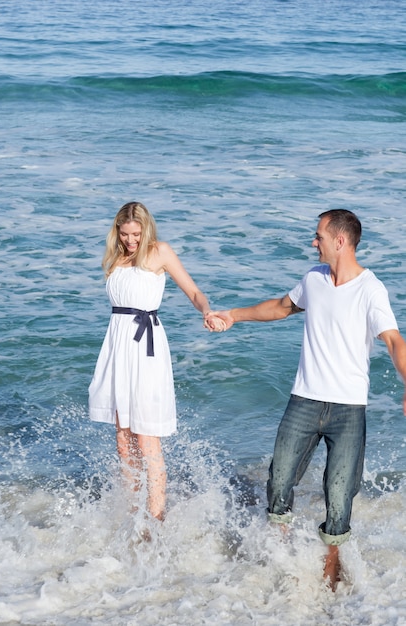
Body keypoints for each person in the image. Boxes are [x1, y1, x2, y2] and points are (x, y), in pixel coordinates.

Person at [208, 209, 406, 589]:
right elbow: (282, 307)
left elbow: (394, 340)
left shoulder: (371, 289)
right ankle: (278, 556)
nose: (313, 242)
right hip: (304, 400)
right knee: (278, 480)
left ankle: (331, 569)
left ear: (340, 241)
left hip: (348, 409)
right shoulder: (313, 279)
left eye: (318, 236)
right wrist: (234, 315)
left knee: (338, 494)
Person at [89, 201, 224, 523]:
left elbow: (193, 292)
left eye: (136, 234)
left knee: (146, 436)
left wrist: (206, 311)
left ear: (146, 229)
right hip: (118, 346)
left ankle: (157, 517)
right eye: (124, 234)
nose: (131, 241)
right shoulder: (116, 257)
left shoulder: (159, 251)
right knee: (123, 437)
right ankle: (132, 510)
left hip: (146, 348)